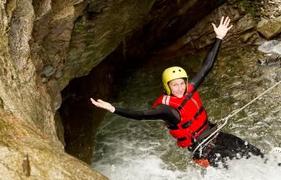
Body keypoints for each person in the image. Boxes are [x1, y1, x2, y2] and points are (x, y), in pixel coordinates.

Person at [91, 16, 263, 167]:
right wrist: (113, 108)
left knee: (249, 149)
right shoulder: (167, 110)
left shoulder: (189, 90)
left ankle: (280, 163)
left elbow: (206, 67)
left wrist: (219, 37)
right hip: (202, 149)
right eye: (174, 85)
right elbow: (141, 115)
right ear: (168, 87)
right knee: (236, 163)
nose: (180, 88)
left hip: (214, 135)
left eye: (181, 83)